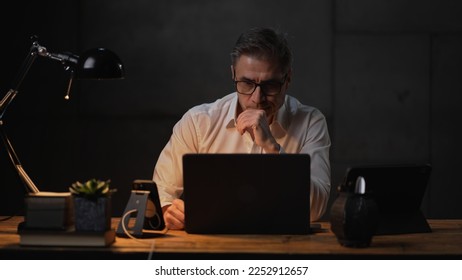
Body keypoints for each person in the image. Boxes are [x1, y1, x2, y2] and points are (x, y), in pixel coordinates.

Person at [153, 27, 331, 230]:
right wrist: (168, 210)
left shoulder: (310, 122)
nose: (257, 99)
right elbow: (160, 191)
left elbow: (315, 210)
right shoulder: (198, 122)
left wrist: (273, 148)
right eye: (246, 83)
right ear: (233, 74)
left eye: (270, 85)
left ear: (287, 79)